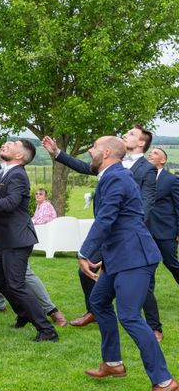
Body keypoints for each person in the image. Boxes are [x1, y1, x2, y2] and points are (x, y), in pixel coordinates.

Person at [78, 136, 177, 390]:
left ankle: (164, 381)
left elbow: (107, 218)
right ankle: (113, 363)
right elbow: (115, 221)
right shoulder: (113, 176)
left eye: (94, 147)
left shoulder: (117, 178)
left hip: (135, 257)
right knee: (99, 301)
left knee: (130, 316)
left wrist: (85, 252)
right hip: (119, 257)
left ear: (107, 152)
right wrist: (102, 255)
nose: (90, 150)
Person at [43, 129, 161, 337]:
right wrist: (57, 153)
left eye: (131, 133)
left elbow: (146, 203)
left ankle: (154, 327)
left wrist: (130, 233)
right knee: (86, 270)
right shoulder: (109, 164)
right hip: (108, 235)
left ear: (142, 143)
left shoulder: (147, 169)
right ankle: (95, 311)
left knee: (139, 286)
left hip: (130, 238)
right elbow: (85, 166)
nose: (126, 134)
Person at [0, 140, 59, 342]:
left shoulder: (18, 175)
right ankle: (24, 313)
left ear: (20, 156)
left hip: (18, 239)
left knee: (16, 284)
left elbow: (9, 204)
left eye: (13, 145)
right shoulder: (8, 172)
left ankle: (47, 330)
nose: (6, 145)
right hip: (7, 238)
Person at [146, 148, 179, 284]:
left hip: (165, 231)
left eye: (155, 153)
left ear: (163, 160)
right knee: (147, 267)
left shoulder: (172, 180)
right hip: (145, 231)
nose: (150, 154)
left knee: (171, 264)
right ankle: (149, 304)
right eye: (150, 153)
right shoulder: (143, 178)